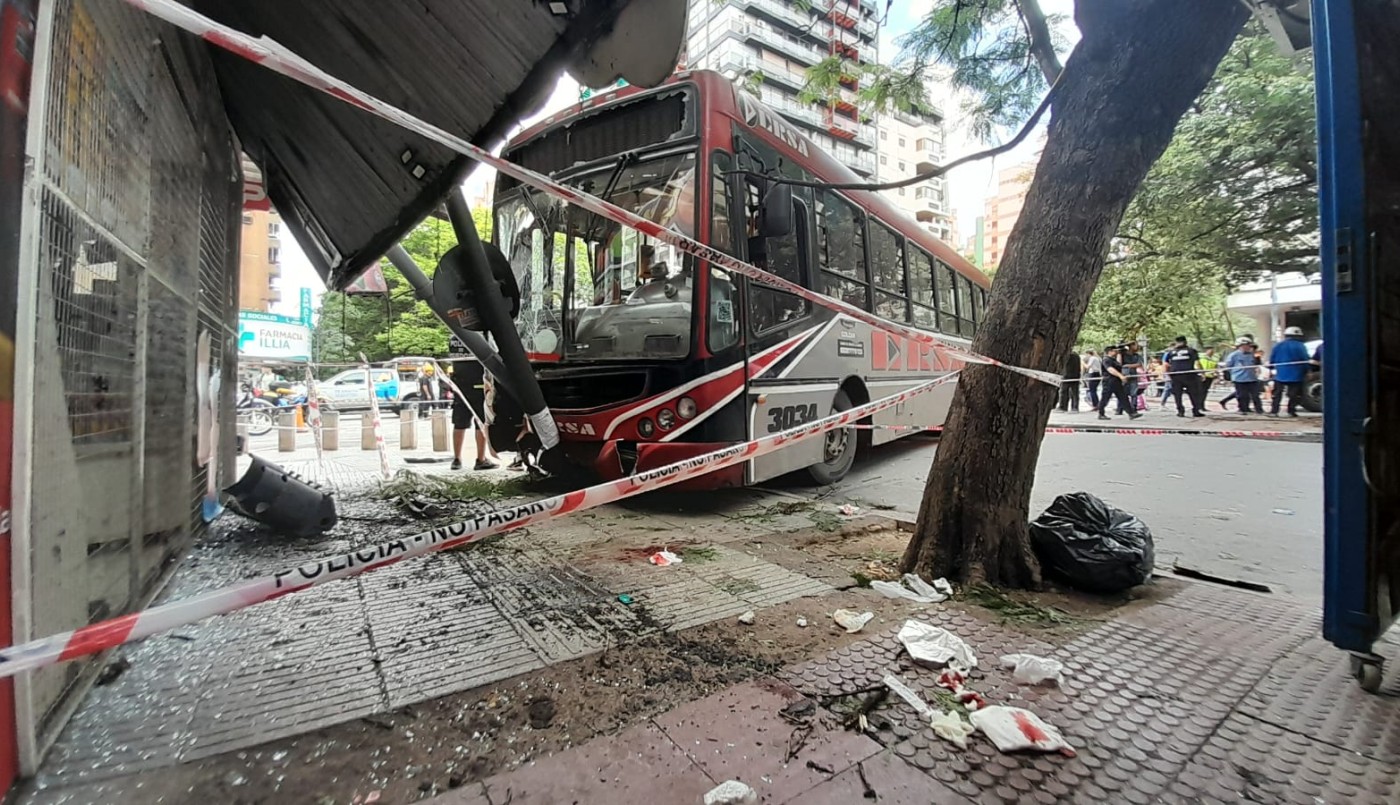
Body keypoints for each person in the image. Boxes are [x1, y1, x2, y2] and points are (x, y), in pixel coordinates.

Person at [450, 354, 499, 471]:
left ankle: (457, 459)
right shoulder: (478, 337)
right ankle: (480, 459)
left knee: (459, 423)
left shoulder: (455, 339)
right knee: (480, 423)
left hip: (460, 386)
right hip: (478, 385)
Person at [1268, 325, 1311, 417]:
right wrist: (1308, 370)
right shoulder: (1300, 346)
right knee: (1294, 395)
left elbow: (1272, 359)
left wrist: (1271, 369)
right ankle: (1291, 411)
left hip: (1280, 374)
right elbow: (1305, 359)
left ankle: (1274, 411)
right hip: (1296, 374)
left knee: (1277, 394)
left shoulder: (1278, 345)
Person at [1163, 335, 1206, 417]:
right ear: (1185, 342)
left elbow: (1166, 364)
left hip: (1175, 375)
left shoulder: (1171, 352)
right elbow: (1197, 363)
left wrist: (1166, 375)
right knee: (1194, 393)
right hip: (1189, 375)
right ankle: (1195, 411)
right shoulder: (1191, 351)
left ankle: (1180, 411)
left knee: (1177, 394)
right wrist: (1202, 373)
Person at [1097, 345, 1141, 420]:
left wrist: (1119, 354)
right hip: (1109, 381)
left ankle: (1131, 413)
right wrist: (1121, 376)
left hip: (1116, 381)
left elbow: (1119, 365)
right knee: (1105, 398)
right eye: (1115, 350)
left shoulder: (1113, 359)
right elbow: (1110, 369)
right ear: (1109, 351)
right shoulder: (1106, 359)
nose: (1116, 352)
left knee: (1123, 397)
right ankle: (1101, 413)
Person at [1221, 336, 1264, 414]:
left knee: (1255, 395)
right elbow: (1228, 366)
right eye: (1246, 345)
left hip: (1251, 378)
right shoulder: (1233, 355)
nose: (1248, 347)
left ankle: (1259, 409)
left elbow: (1256, 364)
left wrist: (1258, 359)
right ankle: (1243, 409)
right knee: (1242, 395)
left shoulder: (1252, 355)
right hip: (1239, 378)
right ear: (1240, 346)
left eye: (1249, 345)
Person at [1119, 342, 1144, 415]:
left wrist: (1128, 365)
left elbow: (1139, 364)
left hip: (1133, 375)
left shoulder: (1137, 356)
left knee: (1134, 392)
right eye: (1135, 345)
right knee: (1123, 392)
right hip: (1124, 375)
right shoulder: (1123, 355)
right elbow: (1119, 364)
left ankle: (1134, 408)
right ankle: (1120, 408)